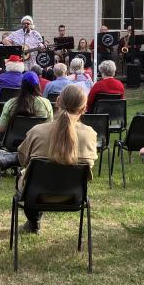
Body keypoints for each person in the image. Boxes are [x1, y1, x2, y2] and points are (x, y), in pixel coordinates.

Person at [17, 84, 97, 233]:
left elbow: (23, 159)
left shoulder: (37, 131)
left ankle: (34, 222)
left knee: (24, 176)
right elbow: (89, 166)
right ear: (83, 108)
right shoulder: (90, 135)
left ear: (58, 101)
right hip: (73, 197)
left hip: (35, 196)